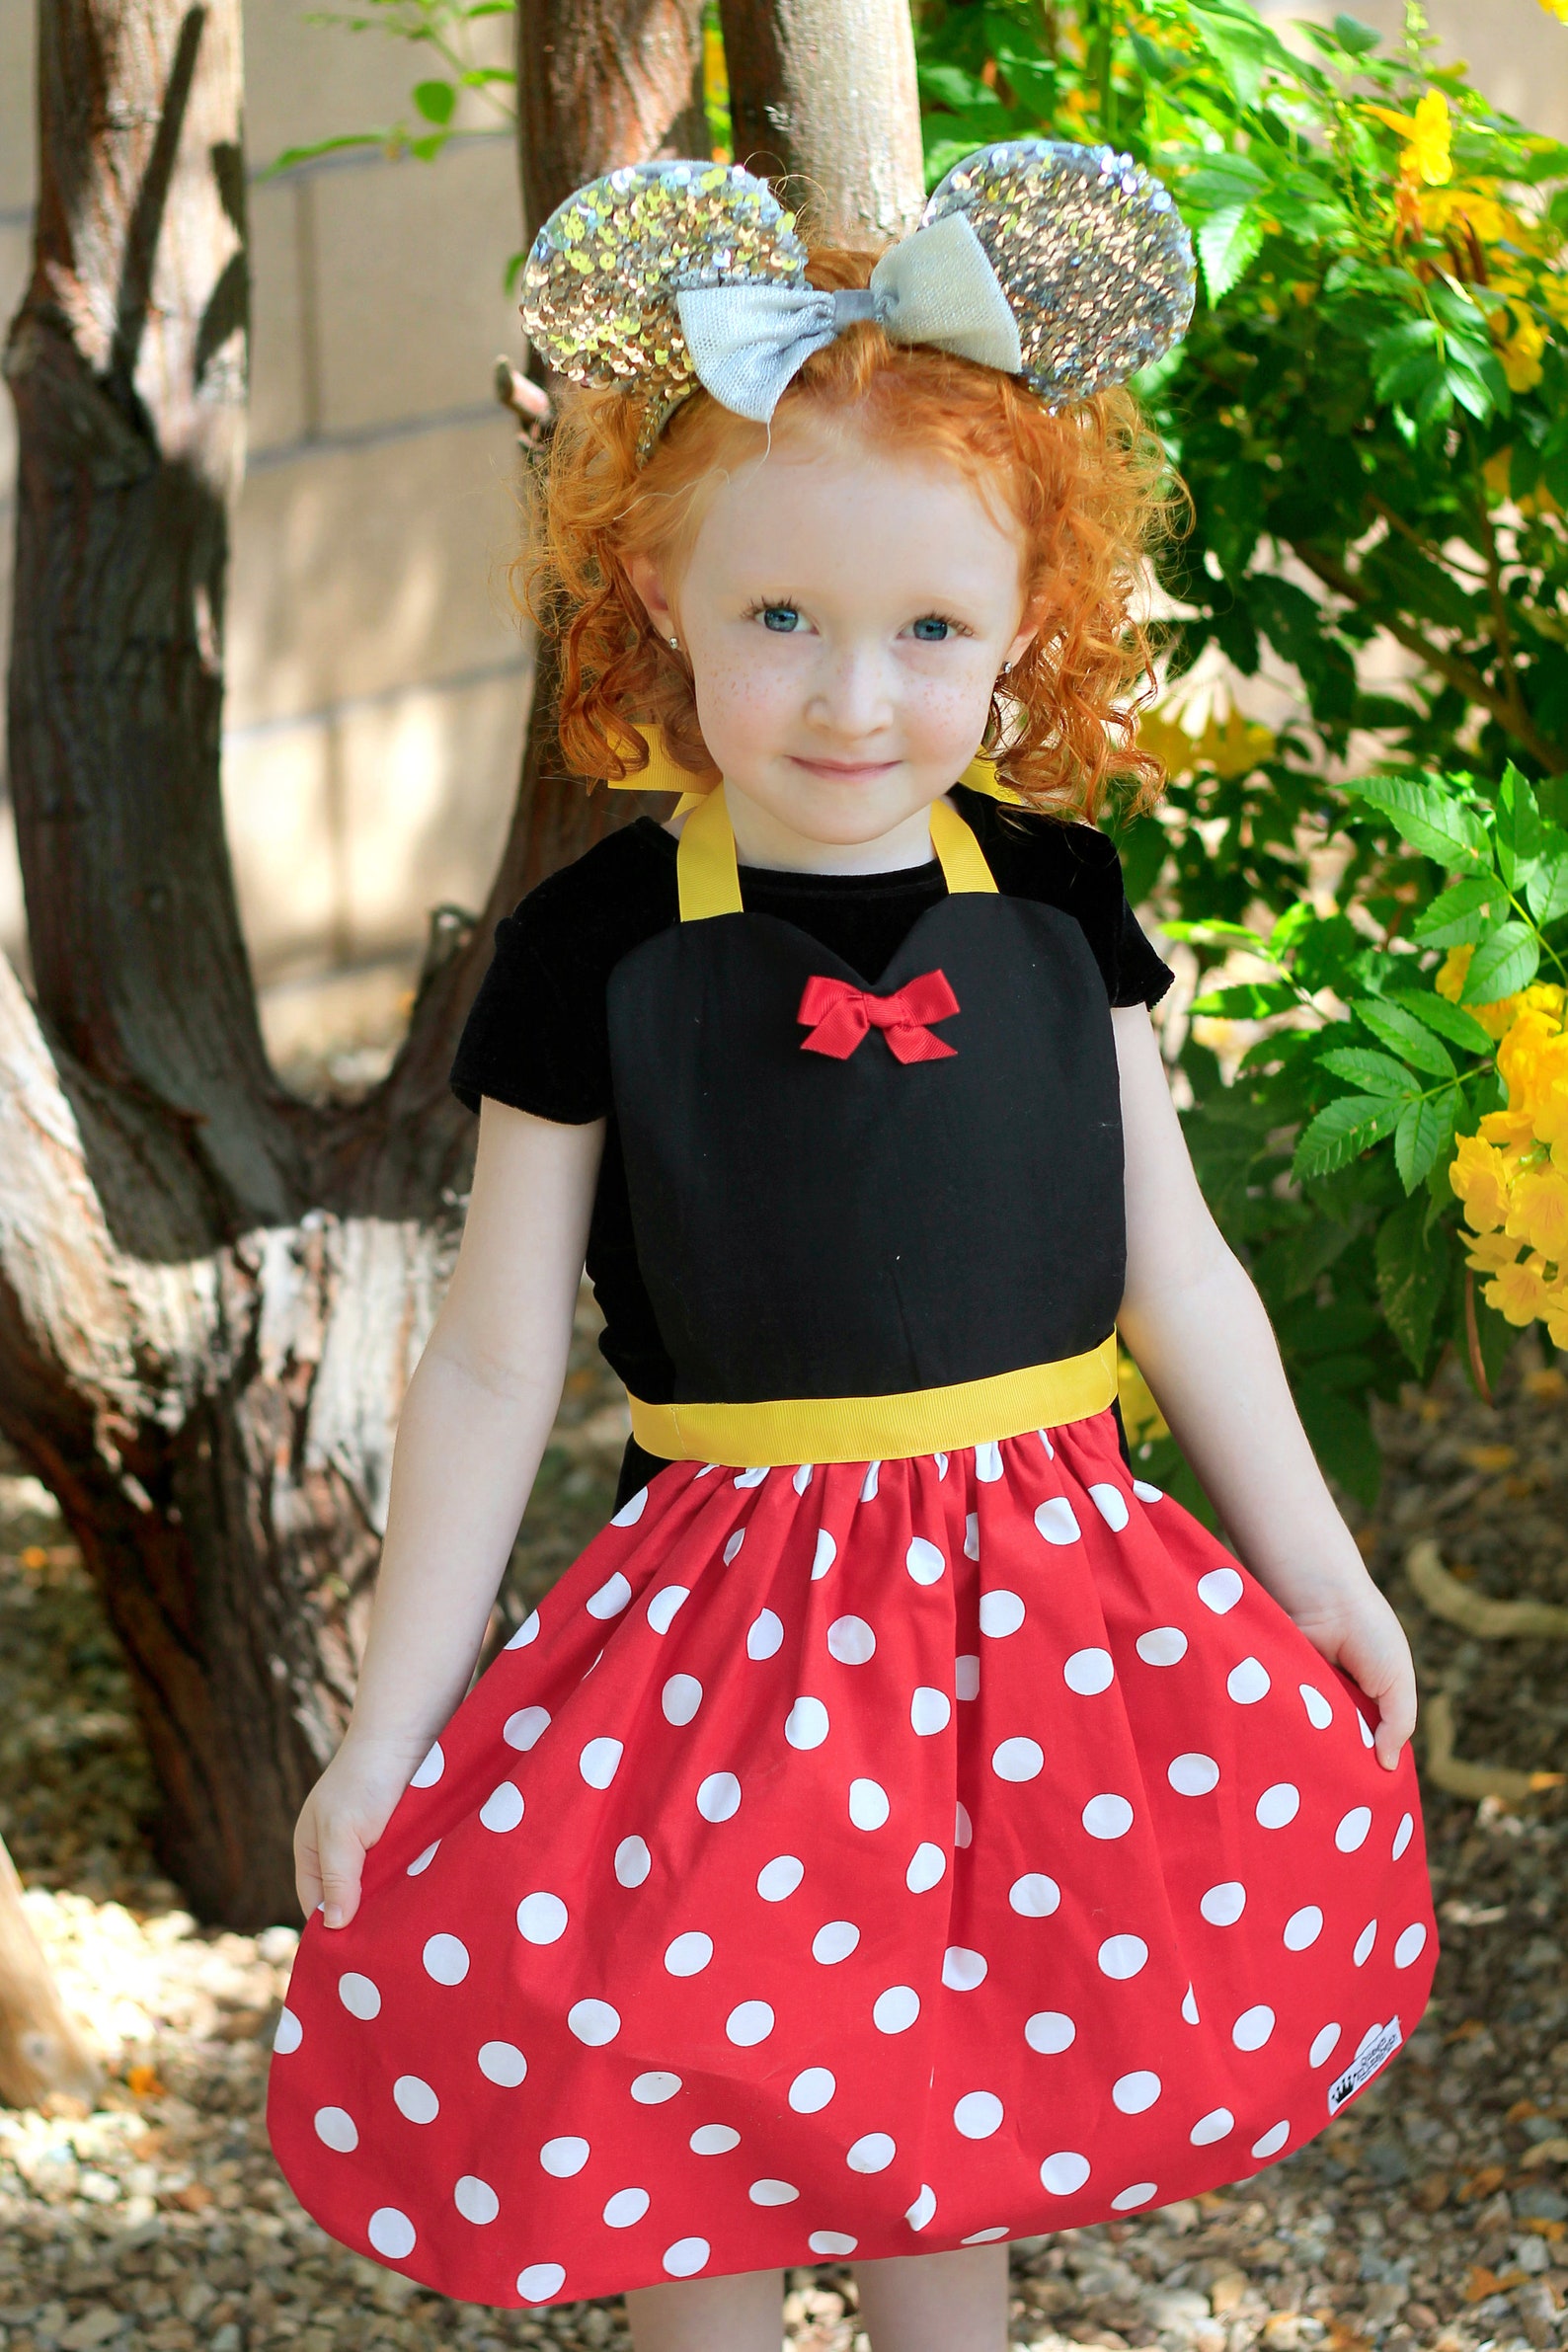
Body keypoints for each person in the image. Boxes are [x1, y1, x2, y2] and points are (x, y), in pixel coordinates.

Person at [267, 142, 1436, 2352]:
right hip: (729, 1630)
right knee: (686, 2082)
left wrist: (1315, 1575)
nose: (850, 699)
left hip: (1045, 1615)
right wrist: (388, 1721)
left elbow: (1176, 1271)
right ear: (656, 589)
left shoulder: (1058, 907)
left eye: (930, 633)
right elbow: (497, 1361)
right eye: (778, 621)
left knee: (954, 2092)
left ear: (1028, 624)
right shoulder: (597, 946)